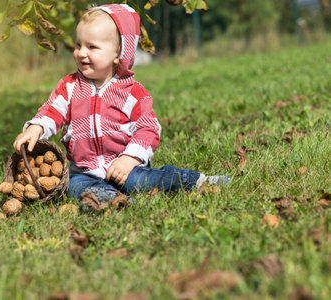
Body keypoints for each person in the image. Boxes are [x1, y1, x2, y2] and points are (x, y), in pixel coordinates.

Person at [13, 4, 229, 210]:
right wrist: (36, 128)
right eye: (78, 45)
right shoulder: (69, 86)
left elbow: (148, 129)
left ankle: (194, 181)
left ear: (118, 54)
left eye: (92, 47)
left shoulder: (132, 92)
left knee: (141, 181)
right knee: (75, 187)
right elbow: (52, 111)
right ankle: (109, 200)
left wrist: (129, 159)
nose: (81, 53)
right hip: (84, 170)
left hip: (127, 167)